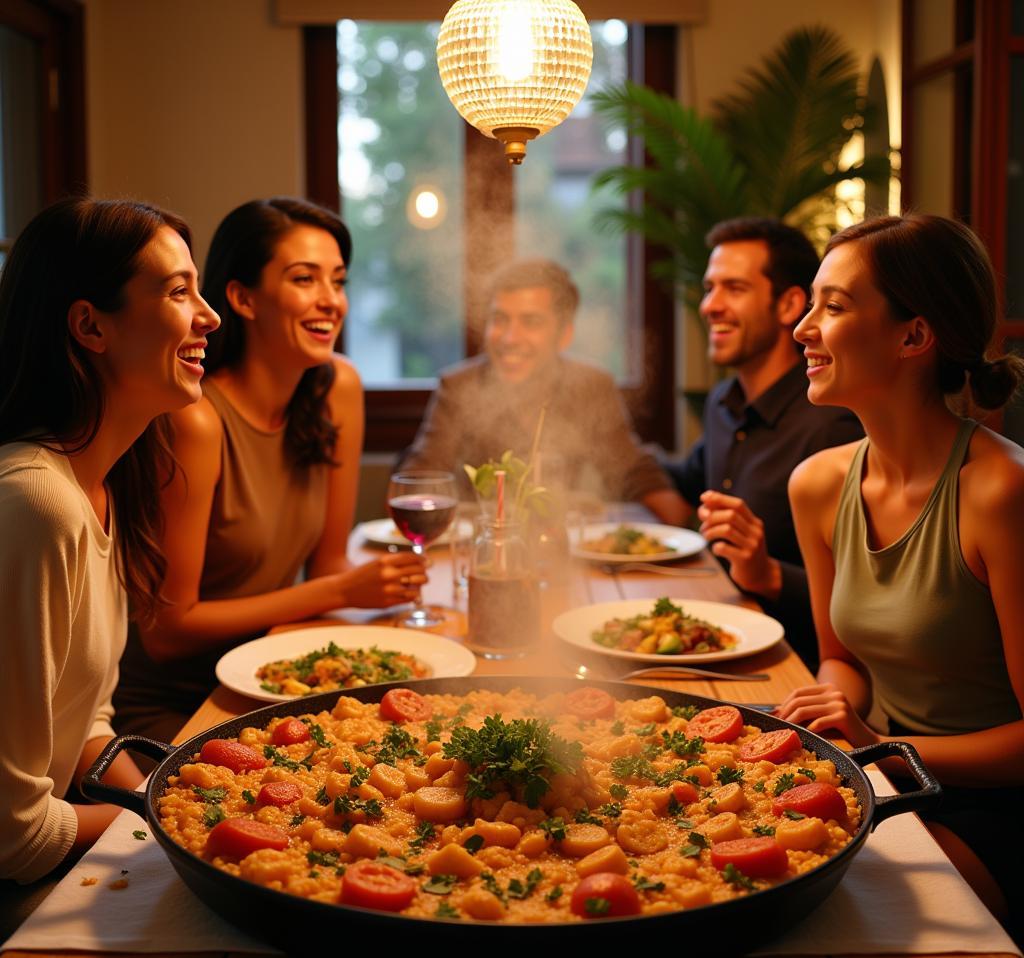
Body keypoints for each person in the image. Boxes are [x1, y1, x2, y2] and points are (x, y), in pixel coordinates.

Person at [774, 213, 1024, 940]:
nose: (803, 329)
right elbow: (842, 658)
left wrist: (873, 746)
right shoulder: (817, 485)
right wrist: (828, 709)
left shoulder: (999, 493)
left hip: (996, 809)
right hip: (887, 773)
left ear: (914, 337)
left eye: (835, 306)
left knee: (845, 933)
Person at [113, 198, 425, 743]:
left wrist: (361, 594)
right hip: (182, 703)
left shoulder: (338, 390)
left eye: (339, 280)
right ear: (242, 298)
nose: (331, 301)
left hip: (271, 678)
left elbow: (328, 564)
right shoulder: (198, 420)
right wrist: (346, 590)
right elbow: (167, 630)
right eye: (305, 279)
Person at [0, 197, 219, 896]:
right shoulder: (35, 505)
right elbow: (12, 837)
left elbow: (86, 724)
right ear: (90, 325)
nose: (209, 316)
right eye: (179, 291)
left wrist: (164, 790)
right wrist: (178, 814)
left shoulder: (97, 486)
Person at [665, 218, 863, 668]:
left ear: (790, 304)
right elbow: (683, 482)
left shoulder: (833, 426)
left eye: (733, 288)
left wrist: (768, 574)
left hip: (793, 667)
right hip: (716, 637)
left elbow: (865, 598)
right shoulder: (723, 402)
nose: (710, 305)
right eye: (709, 288)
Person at [397, 258, 686, 524]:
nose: (510, 338)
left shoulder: (590, 386)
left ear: (565, 335)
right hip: (482, 546)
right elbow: (418, 480)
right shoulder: (460, 387)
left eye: (531, 322)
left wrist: (682, 531)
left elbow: (632, 471)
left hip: (561, 551)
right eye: (499, 319)